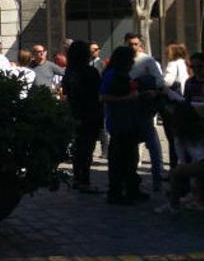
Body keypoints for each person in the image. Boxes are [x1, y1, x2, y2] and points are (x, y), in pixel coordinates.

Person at [156, 53, 204, 214]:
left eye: (200, 66)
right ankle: (197, 196)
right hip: (193, 124)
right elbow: (186, 102)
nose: (197, 70)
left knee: (193, 164)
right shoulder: (190, 82)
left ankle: (198, 197)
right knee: (191, 161)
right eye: (193, 67)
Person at [100, 46, 150, 205]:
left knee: (131, 158)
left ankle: (131, 189)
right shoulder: (111, 74)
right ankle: (116, 192)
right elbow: (104, 97)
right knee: (119, 159)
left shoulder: (123, 74)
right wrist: (129, 97)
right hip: (118, 122)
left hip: (129, 121)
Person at [125, 33, 165, 191]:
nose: (133, 47)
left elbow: (159, 80)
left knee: (152, 143)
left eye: (135, 44)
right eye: (130, 44)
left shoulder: (146, 60)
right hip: (127, 106)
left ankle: (157, 178)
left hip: (143, 105)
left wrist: (152, 91)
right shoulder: (121, 59)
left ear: (139, 44)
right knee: (129, 145)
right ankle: (131, 179)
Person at [63, 41, 103, 193]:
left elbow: (65, 91)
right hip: (90, 113)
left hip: (75, 113)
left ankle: (77, 179)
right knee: (87, 149)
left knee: (78, 148)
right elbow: (98, 92)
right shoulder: (90, 72)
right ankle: (84, 180)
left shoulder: (69, 71)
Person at [162, 42, 189, 169]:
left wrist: (160, 83)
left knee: (173, 139)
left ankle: (175, 168)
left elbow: (167, 82)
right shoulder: (186, 63)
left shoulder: (173, 64)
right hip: (185, 102)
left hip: (174, 104)